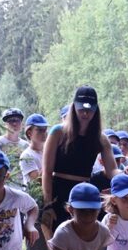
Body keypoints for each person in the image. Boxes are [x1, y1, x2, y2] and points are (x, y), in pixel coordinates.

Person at [41, 86, 120, 232]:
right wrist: (48, 204)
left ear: (96, 110)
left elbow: (112, 170)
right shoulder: (58, 132)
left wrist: (124, 177)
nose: (85, 113)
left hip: (85, 194)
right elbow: (46, 171)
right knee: (58, 241)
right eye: (81, 109)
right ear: (74, 108)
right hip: (58, 193)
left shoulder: (101, 138)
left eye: (90, 110)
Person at [19, 113, 51, 250]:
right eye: (40, 130)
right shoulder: (27, 155)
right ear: (29, 132)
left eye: (45, 130)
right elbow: (35, 178)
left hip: (50, 204)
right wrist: (50, 165)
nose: (44, 133)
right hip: (35, 206)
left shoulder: (48, 151)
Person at [0, 108, 28, 186]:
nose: (14, 124)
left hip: (23, 185)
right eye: (11, 121)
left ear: (22, 124)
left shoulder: (25, 145)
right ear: (5, 124)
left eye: (17, 120)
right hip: (5, 184)